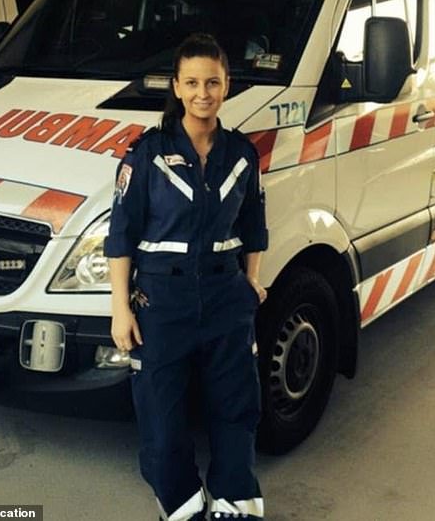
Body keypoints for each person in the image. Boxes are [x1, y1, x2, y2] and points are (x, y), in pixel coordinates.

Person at [104, 33, 268, 521]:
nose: (203, 93)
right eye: (192, 83)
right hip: (162, 300)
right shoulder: (146, 155)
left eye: (212, 82)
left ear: (227, 85)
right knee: (161, 416)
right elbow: (121, 236)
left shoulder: (242, 154)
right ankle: (181, 505)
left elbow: (254, 227)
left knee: (237, 406)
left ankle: (235, 500)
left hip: (225, 297)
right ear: (176, 87)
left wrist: (251, 282)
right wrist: (120, 309)